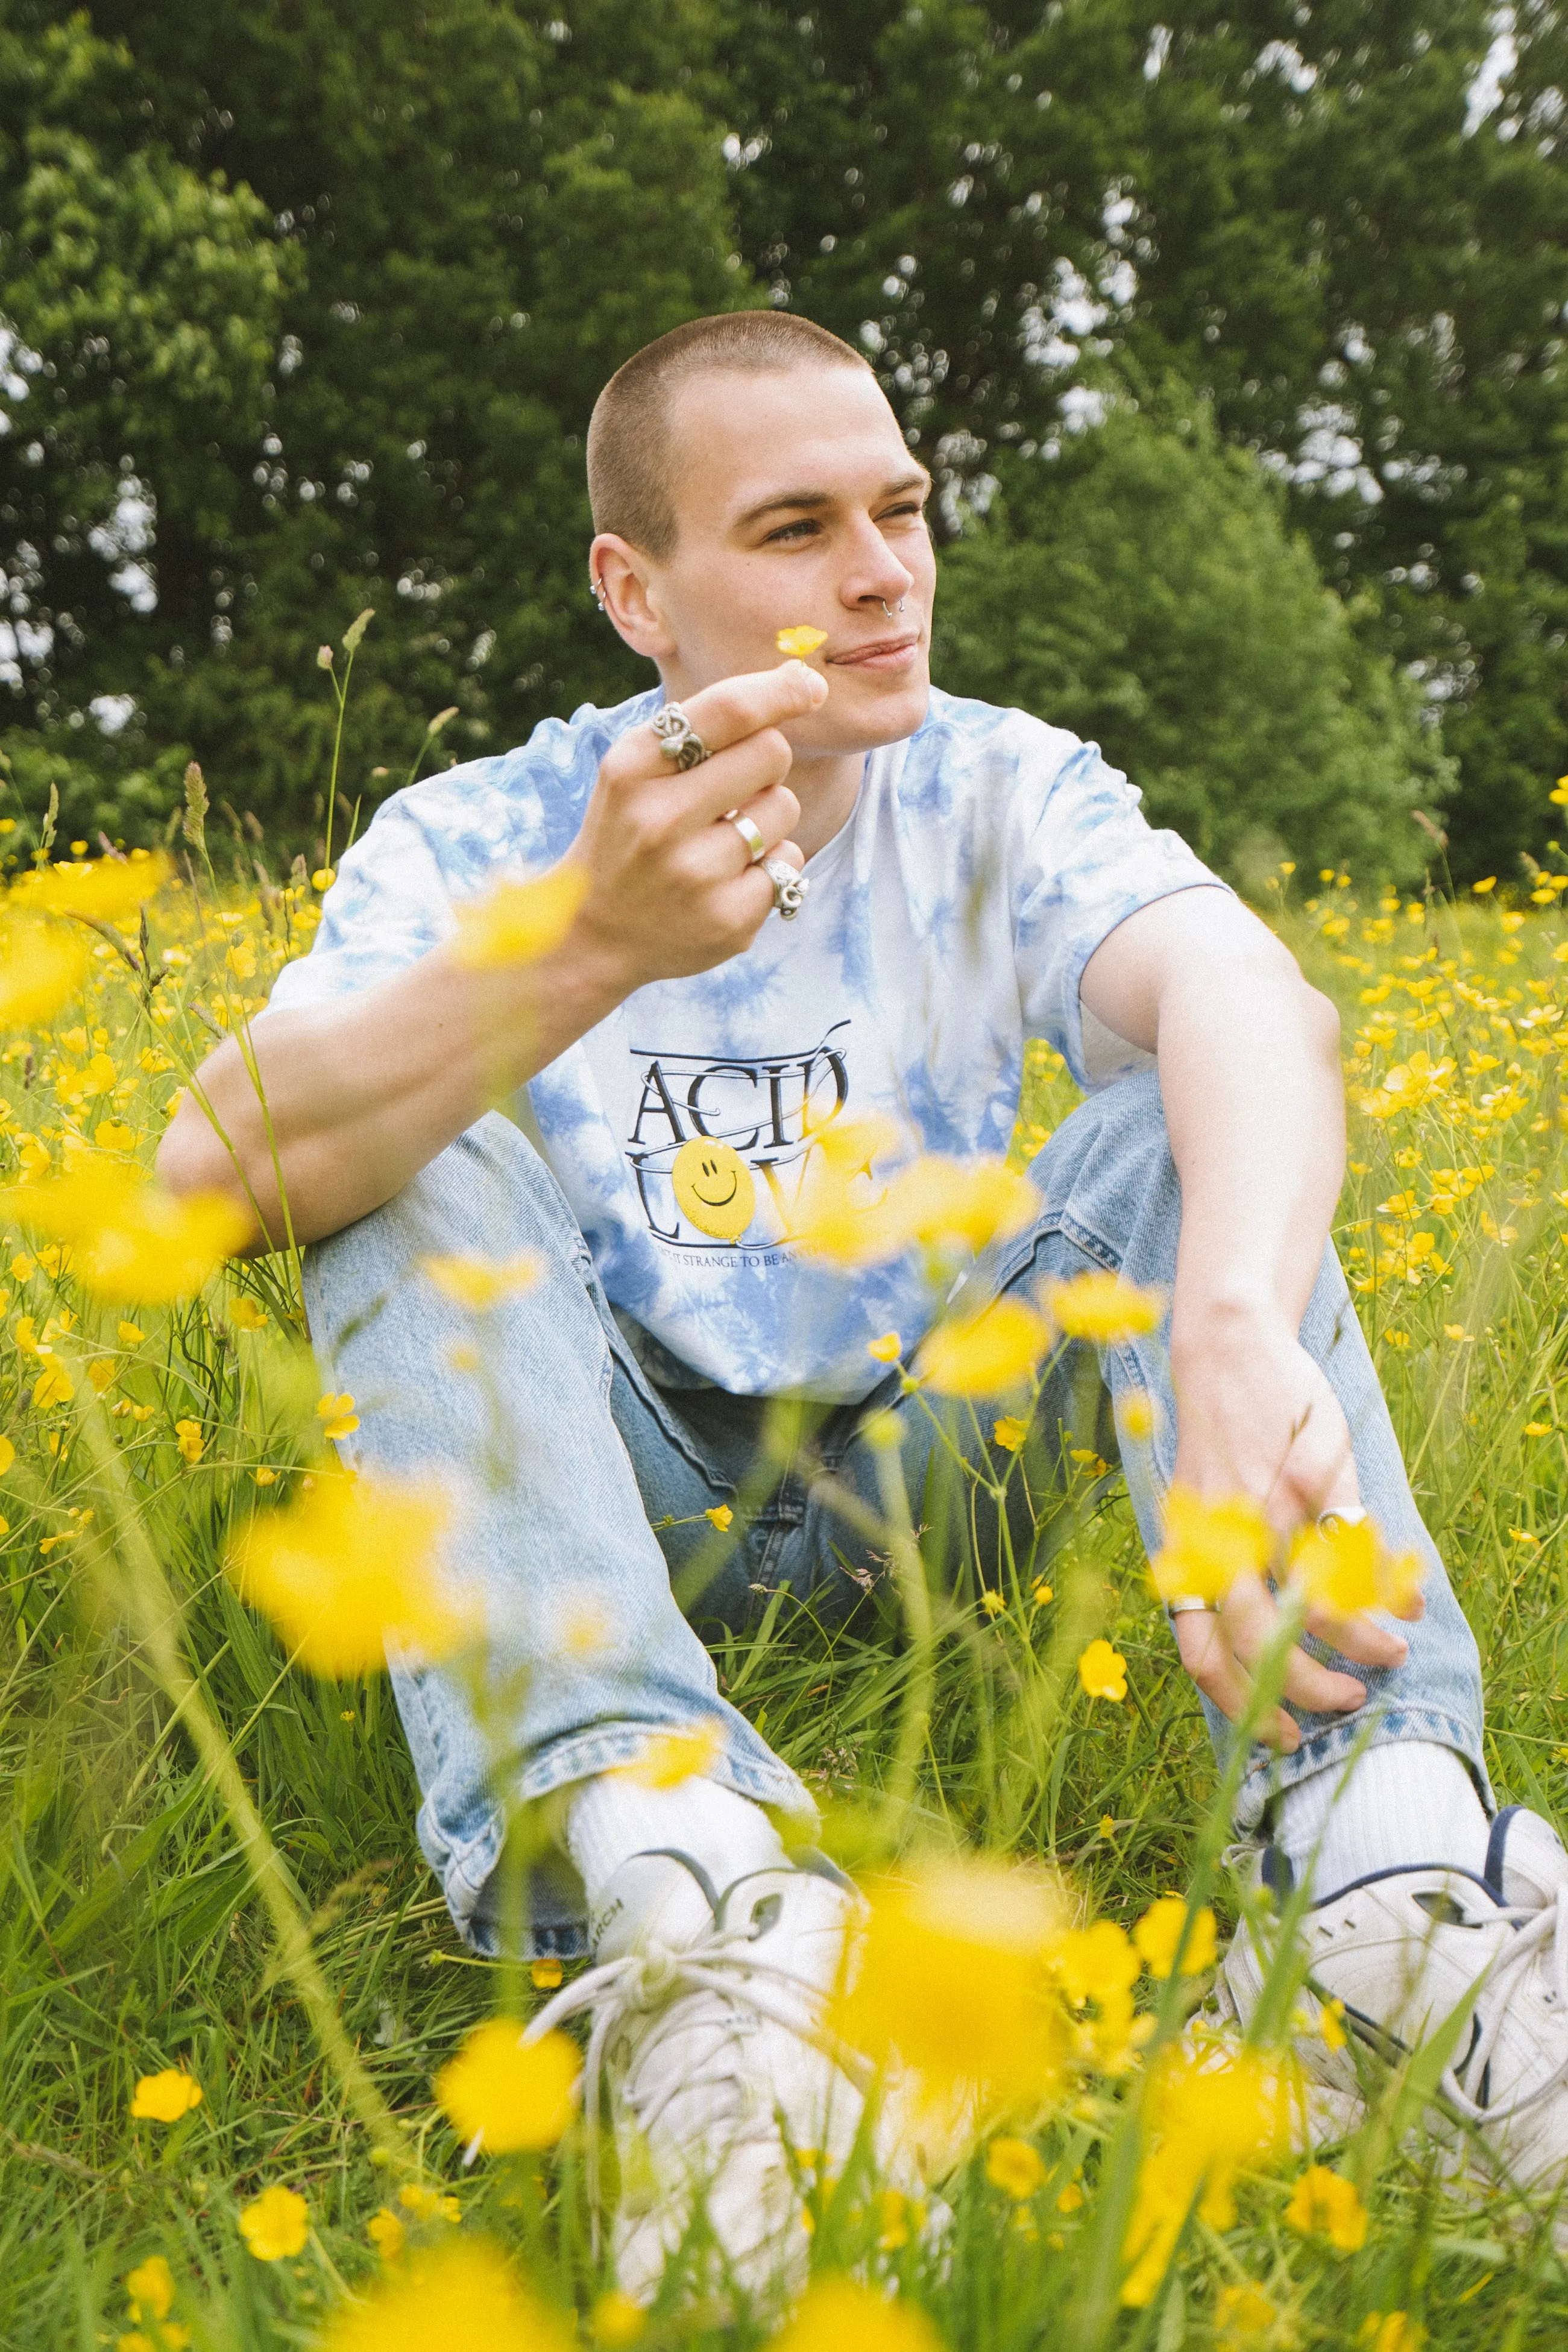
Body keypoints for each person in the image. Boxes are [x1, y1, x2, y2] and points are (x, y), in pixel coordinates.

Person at [160, 311, 1568, 2298]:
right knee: (408, 1157)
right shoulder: (479, 832)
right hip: (608, 1504)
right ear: (634, 589)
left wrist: (1232, 1317)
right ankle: (701, 1925)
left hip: (938, 1467)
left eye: (903, 509)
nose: (885, 568)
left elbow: (1258, 1003)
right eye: (800, 526)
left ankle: (1387, 1884)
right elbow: (204, 1178)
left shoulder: (999, 789)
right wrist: (578, 950)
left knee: (1188, 1139)